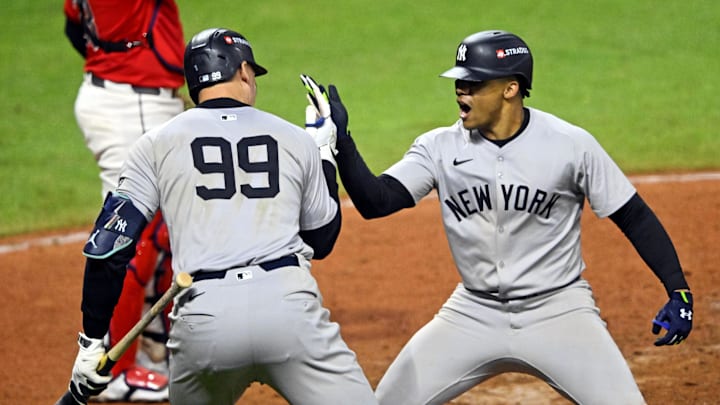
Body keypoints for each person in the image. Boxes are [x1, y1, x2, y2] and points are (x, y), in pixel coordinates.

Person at [309, 30, 694, 404]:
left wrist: (677, 289)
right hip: (473, 312)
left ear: (510, 88)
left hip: (559, 311)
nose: (462, 91)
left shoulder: (570, 145)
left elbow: (634, 216)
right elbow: (377, 202)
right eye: (459, 82)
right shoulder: (438, 147)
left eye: (474, 83)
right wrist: (342, 142)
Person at [62, 27, 378, 405]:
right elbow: (322, 239)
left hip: (204, 321)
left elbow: (109, 249)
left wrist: (91, 341)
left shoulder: (153, 144)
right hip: (290, 313)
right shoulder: (294, 138)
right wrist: (324, 154)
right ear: (244, 72)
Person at [63, 0, 186, 401]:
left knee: (164, 229)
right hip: (133, 102)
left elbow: (74, 27)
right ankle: (113, 368)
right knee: (134, 230)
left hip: (124, 93)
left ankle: (153, 345)